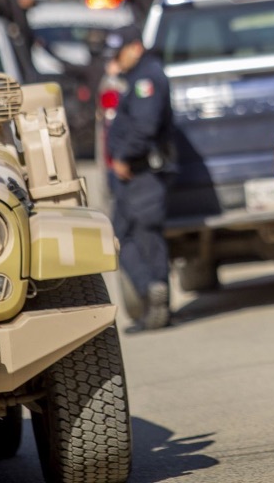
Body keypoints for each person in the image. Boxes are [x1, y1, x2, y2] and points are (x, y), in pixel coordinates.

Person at [105, 23, 177, 333]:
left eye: (118, 54)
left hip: (142, 172)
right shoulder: (138, 76)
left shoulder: (146, 78)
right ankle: (152, 293)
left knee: (145, 236)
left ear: (135, 48)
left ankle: (154, 293)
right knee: (124, 235)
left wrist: (124, 156)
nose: (115, 61)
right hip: (135, 175)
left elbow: (145, 125)